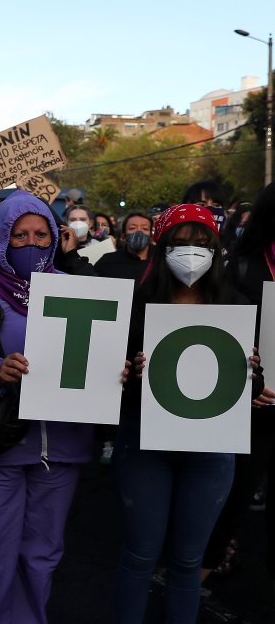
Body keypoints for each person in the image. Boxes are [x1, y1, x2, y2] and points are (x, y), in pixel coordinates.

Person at [114, 203, 270, 623]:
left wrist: (253, 377)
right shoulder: (136, 305)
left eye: (201, 243)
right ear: (163, 248)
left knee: (188, 563)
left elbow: (250, 388)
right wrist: (128, 372)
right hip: (144, 446)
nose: (191, 252)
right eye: (180, 243)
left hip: (210, 453)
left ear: (216, 249)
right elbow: (110, 380)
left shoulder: (238, 306)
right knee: (139, 556)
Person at [0, 191, 96, 623]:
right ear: (1, 239)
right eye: (19, 236)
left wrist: (113, 372)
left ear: (54, 237)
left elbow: (96, 358)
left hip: (62, 446)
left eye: (40, 234)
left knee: (41, 559)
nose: (31, 243)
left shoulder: (78, 293)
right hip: (0, 445)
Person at [202, 184, 275, 586]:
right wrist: (245, 377)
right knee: (232, 502)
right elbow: (219, 328)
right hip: (255, 406)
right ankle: (189, 593)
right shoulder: (244, 265)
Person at [95, 211, 153, 282]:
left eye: (145, 228)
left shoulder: (162, 260)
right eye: (132, 228)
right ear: (123, 236)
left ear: (151, 236)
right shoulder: (108, 261)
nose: (139, 231)